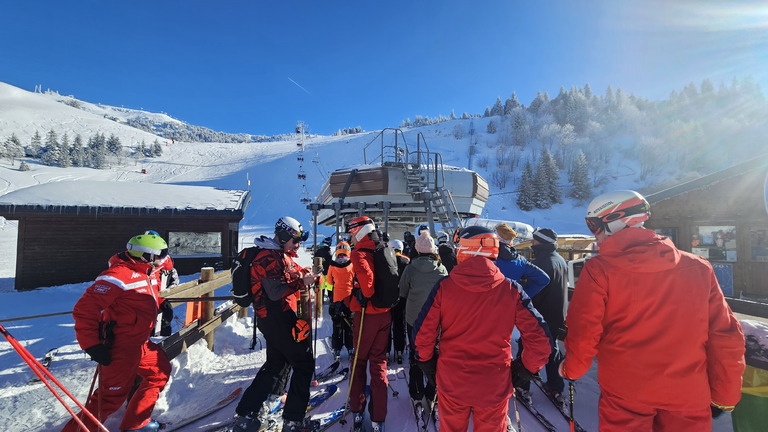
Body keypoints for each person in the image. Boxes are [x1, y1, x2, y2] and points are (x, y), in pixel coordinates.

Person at [560, 190, 746, 432]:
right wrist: (725, 395)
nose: (594, 235)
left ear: (615, 221)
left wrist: (571, 369)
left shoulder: (599, 270)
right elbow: (726, 335)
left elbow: (583, 332)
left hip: (626, 393)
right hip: (688, 392)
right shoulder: (699, 268)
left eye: (593, 226)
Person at [414, 226, 551, 432]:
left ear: (465, 249)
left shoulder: (445, 287)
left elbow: (422, 334)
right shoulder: (512, 290)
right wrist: (524, 369)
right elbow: (541, 340)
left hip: (452, 381)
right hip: (494, 384)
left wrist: (427, 362)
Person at [62, 234, 173, 432]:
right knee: (109, 398)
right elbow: (85, 310)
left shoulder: (148, 271)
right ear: (145, 256)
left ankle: (136, 425)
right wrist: (91, 345)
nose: (164, 258)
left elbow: (140, 296)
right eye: (160, 255)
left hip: (140, 344)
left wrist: (161, 303)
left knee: (159, 372)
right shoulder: (117, 276)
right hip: (120, 346)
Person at [232, 216, 317, 432]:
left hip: (274, 316)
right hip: (276, 315)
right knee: (303, 362)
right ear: (283, 237)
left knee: (276, 365)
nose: (298, 245)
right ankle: (293, 421)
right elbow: (275, 291)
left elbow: (293, 269)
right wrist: (301, 281)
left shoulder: (279, 254)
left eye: (300, 241)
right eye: (295, 240)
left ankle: (246, 415)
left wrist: (303, 273)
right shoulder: (268, 257)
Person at [345, 216, 391, 432]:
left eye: (352, 232)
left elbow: (368, 287)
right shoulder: (383, 247)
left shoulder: (360, 253)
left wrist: (355, 295)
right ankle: (378, 419)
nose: (351, 237)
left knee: (359, 362)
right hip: (385, 313)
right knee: (379, 363)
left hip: (366, 316)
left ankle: (357, 410)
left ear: (360, 231)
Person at [398, 231, 448, 418]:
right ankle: (432, 391)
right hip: (436, 321)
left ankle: (416, 391)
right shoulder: (441, 269)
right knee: (435, 355)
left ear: (417, 250)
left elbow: (402, 292)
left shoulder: (410, 269)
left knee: (416, 355)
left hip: (414, 319)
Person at [517, 228, 567, 408]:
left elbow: (534, 293)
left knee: (528, 348)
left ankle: (523, 386)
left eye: (535, 240)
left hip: (540, 315)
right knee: (553, 350)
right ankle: (556, 387)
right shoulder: (560, 260)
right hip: (557, 314)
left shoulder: (541, 262)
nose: (532, 243)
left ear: (541, 242)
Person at [493, 223, 550, 298]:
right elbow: (544, 279)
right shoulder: (520, 261)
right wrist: (521, 296)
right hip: (509, 304)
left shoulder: (486, 258)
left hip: (486, 304)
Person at [326, 241, 355, 361]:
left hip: (337, 299)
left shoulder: (332, 266)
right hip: (349, 300)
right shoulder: (352, 265)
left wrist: (331, 296)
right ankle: (350, 348)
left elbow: (329, 282)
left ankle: (337, 350)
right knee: (350, 325)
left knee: (337, 325)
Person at [386, 238, 410, 364]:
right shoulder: (407, 261)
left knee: (387, 325)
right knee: (400, 324)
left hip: (389, 297)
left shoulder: (386, 260)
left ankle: (386, 351)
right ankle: (400, 350)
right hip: (402, 297)